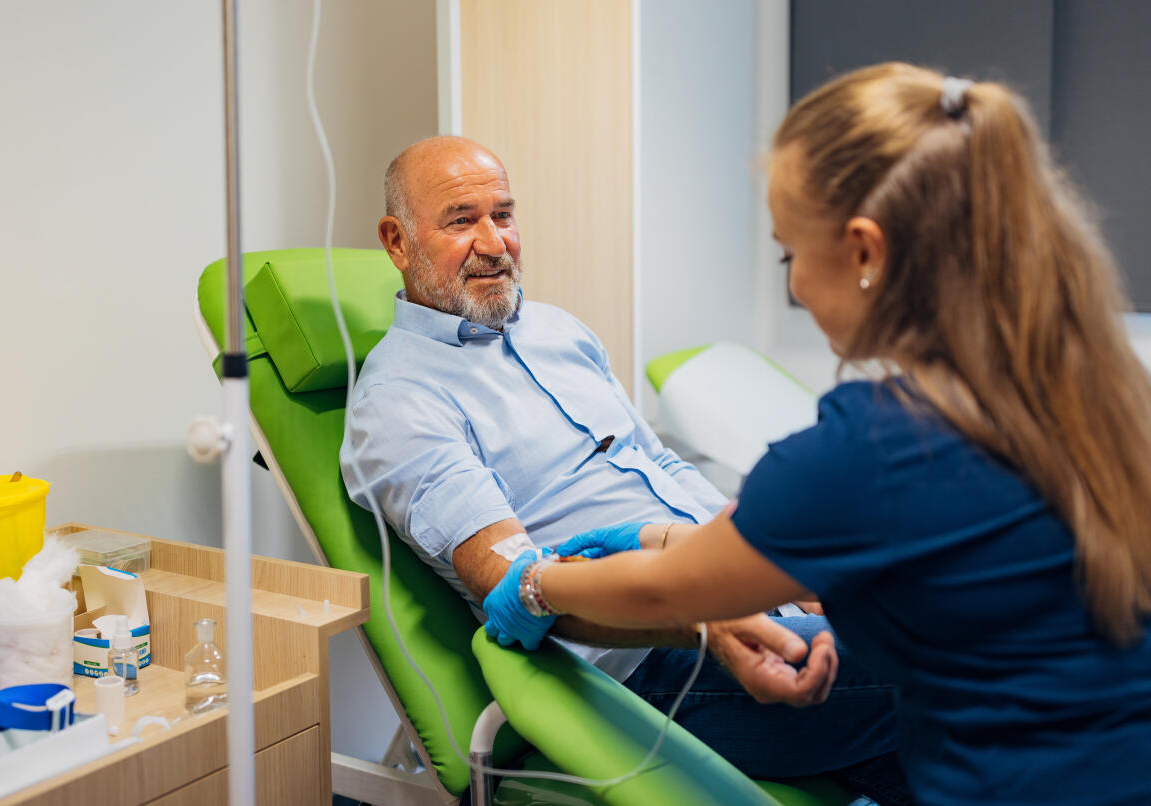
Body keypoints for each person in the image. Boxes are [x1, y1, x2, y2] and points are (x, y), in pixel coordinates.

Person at [483, 64, 1151, 806]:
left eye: (788, 253)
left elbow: (665, 592)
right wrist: (656, 540)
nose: (793, 283)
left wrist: (537, 583)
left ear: (866, 251)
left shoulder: (881, 445)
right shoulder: (1096, 391)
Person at [340, 134, 908, 803]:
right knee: (955, 649)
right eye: (462, 220)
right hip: (647, 666)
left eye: (505, 214)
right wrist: (704, 621)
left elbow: (656, 463)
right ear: (397, 241)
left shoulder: (558, 332)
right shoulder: (398, 403)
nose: (495, 242)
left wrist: (777, 564)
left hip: (733, 589)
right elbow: (518, 585)